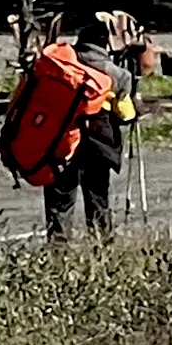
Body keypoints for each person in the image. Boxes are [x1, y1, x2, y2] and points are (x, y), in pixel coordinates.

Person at [46, 36, 139, 241]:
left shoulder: (59, 67)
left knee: (60, 204)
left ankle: (57, 253)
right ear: (105, 46)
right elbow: (126, 114)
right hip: (97, 145)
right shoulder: (117, 74)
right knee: (98, 199)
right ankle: (101, 249)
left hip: (61, 144)